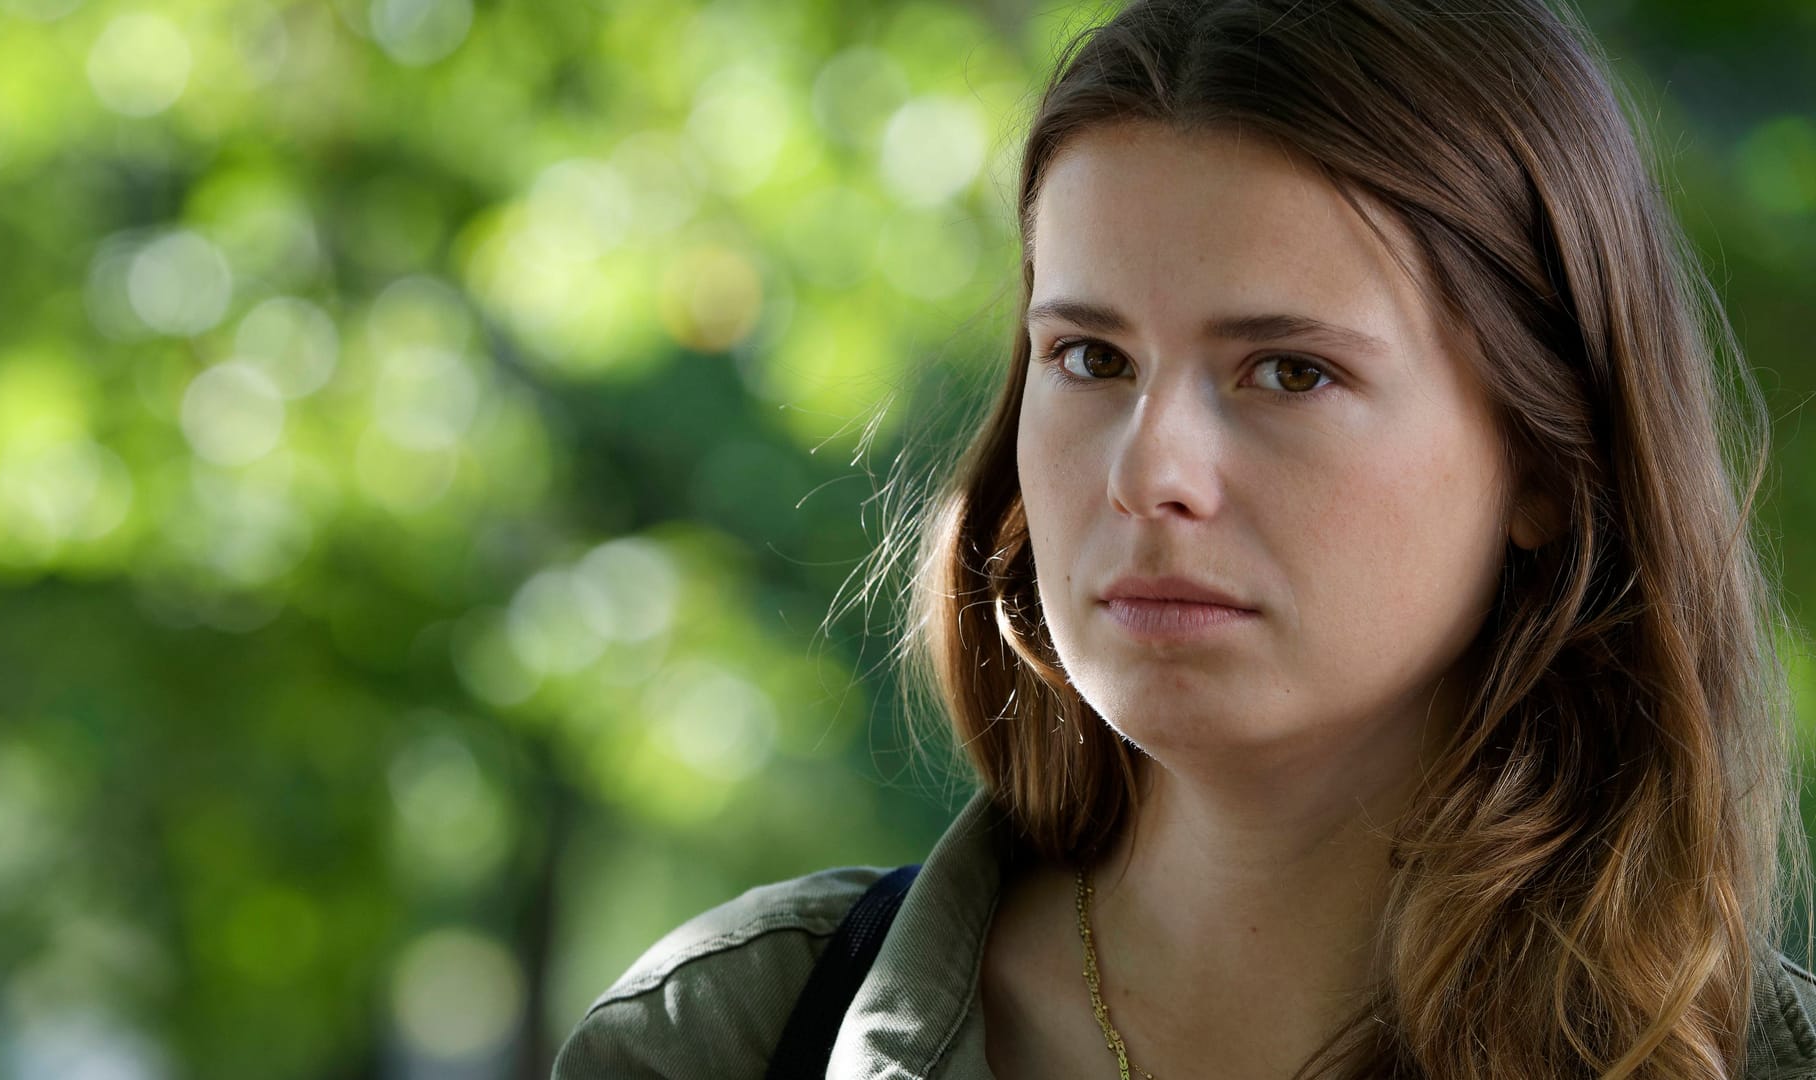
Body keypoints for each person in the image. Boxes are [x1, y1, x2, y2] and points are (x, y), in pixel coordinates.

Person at [552, 0, 1816, 1076]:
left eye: (1288, 372)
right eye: (1091, 357)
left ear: (1545, 459)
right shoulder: (725, 1039)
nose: (1150, 473)